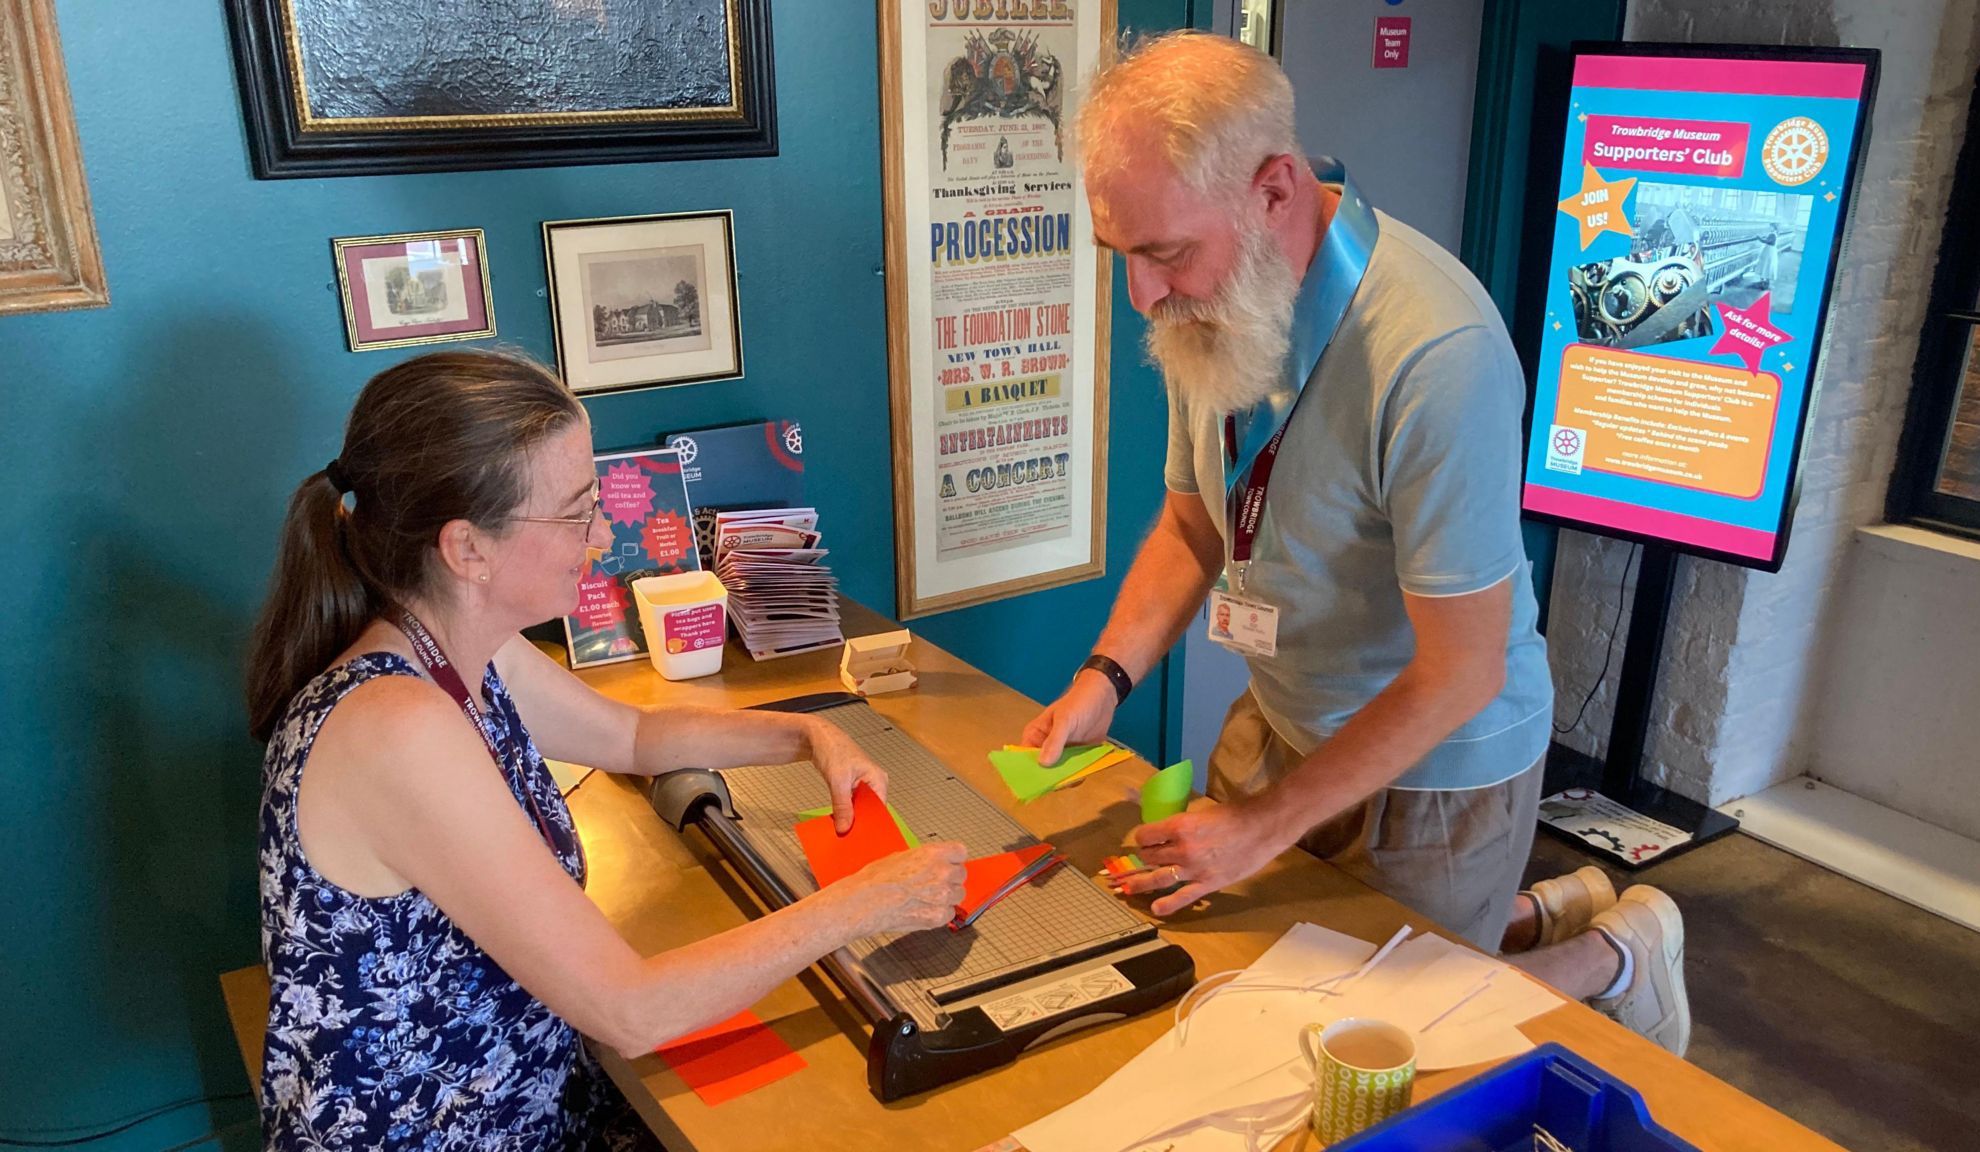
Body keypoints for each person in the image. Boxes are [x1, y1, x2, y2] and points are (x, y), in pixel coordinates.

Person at [1022, 33, 1689, 1055]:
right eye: (1121, 255)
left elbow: (1458, 671)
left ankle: (1620, 950)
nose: (1140, 296)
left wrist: (1257, 825)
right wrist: (1103, 679)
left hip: (1435, 762)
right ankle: (1522, 915)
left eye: (1161, 253)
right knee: (1263, 984)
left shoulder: (1436, 352)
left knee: (1387, 1038)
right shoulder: (1214, 306)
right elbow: (1195, 523)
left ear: (1274, 190)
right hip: (1287, 711)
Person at [246, 349, 968, 1147]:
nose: (600, 535)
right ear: (467, 550)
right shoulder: (398, 727)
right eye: (574, 511)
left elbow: (629, 734)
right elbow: (632, 1009)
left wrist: (806, 734)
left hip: (528, 1094)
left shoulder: (458, 645)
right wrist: (863, 902)